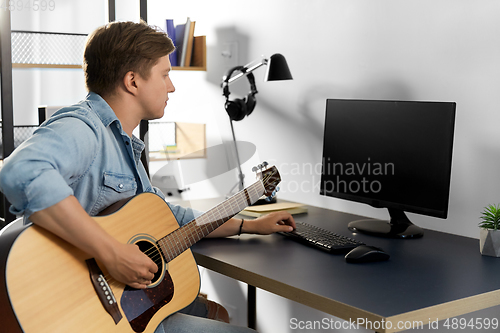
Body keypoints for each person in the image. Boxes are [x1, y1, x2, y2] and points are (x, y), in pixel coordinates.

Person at [0, 21, 295, 333]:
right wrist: (110, 252)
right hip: (77, 314)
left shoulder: (125, 145)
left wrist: (248, 225)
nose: (171, 87)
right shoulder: (84, 127)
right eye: (165, 74)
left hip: (126, 310)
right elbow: (22, 170)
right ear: (132, 81)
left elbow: (171, 219)